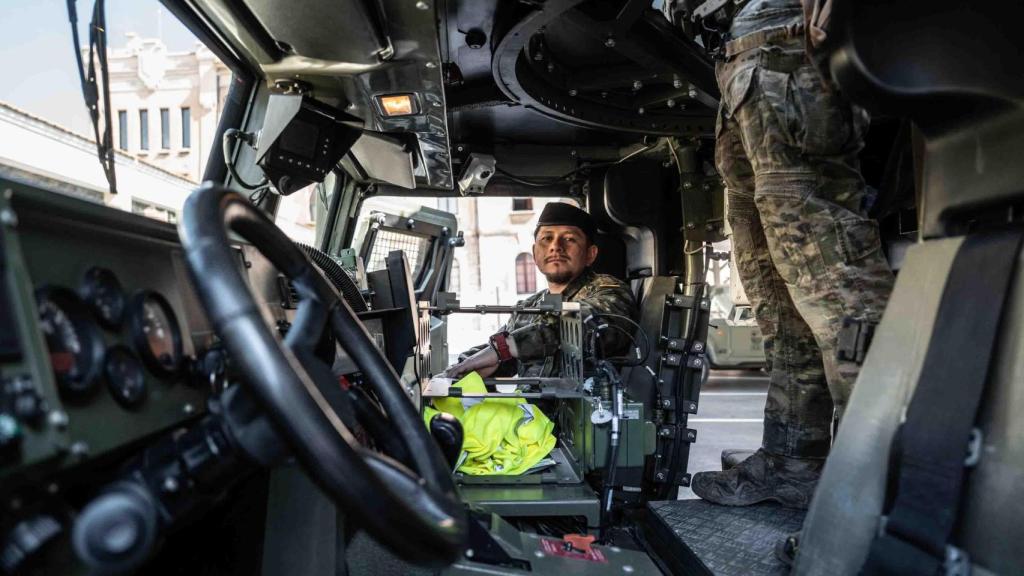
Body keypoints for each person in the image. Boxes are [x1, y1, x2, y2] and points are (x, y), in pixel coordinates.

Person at [689, 0, 895, 512]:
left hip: (789, 56)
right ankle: (794, 463)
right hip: (743, 68)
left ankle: (870, 493)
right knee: (779, 301)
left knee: (838, 290)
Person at [445, 202, 637, 379]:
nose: (555, 247)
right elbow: (495, 352)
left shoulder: (609, 291)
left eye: (569, 239)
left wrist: (504, 348)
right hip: (530, 413)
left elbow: (582, 323)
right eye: (546, 238)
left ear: (590, 254)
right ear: (535, 254)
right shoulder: (528, 307)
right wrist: (456, 370)